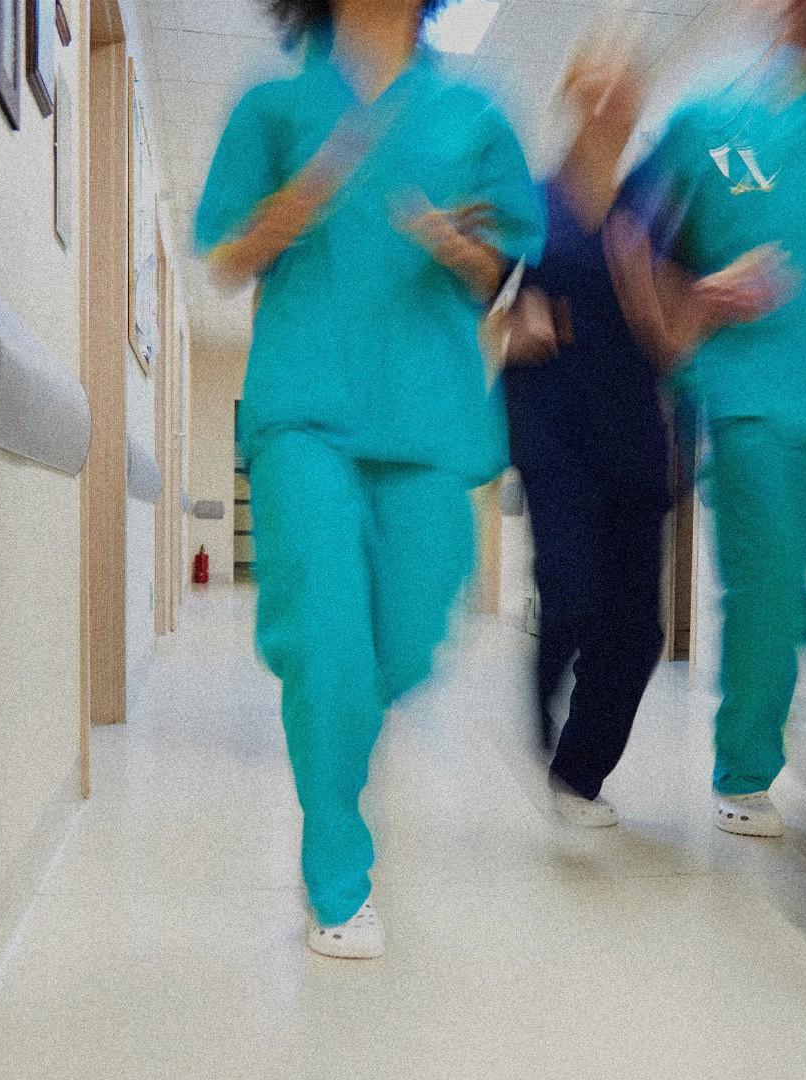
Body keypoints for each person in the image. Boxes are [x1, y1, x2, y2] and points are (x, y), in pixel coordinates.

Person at [193, 0, 543, 959]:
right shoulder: (276, 102)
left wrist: (461, 249)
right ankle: (337, 875)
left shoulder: (474, 106)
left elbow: (500, 270)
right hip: (304, 403)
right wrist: (294, 209)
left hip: (426, 412)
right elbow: (223, 256)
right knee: (329, 643)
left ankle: (341, 714)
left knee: (410, 637)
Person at [615, 0, 806, 838]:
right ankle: (744, 768)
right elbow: (634, 239)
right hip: (748, 390)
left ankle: (778, 632)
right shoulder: (707, 118)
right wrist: (688, 304)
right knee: (762, 589)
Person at [499, 39, 674, 828]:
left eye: (626, 75)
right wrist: (516, 320)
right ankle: (539, 692)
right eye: (596, 73)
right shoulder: (529, 202)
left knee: (638, 630)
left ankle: (579, 774)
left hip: (636, 432)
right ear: (572, 88)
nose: (612, 88)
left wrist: (652, 302)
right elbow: (474, 301)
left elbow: (680, 332)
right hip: (554, 428)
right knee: (571, 596)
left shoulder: (657, 202)